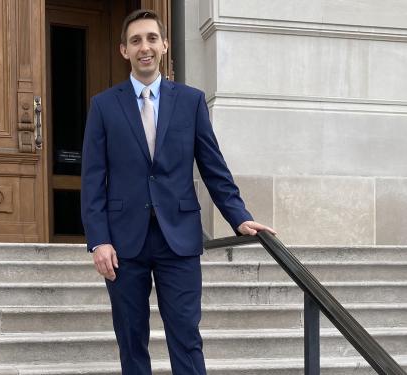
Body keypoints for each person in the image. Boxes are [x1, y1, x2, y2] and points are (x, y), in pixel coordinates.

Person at [81, 9, 276, 374]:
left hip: (180, 240)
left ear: (165, 45)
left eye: (152, 39)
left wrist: (240, 216)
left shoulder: (191, 101)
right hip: (123, 244)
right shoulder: (104, 106)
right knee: (131, 340)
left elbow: (213, 167)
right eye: (136, 40)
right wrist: (98, 241)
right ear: (124, 49)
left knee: (186, 338)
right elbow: (93, 179)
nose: (145, 47)